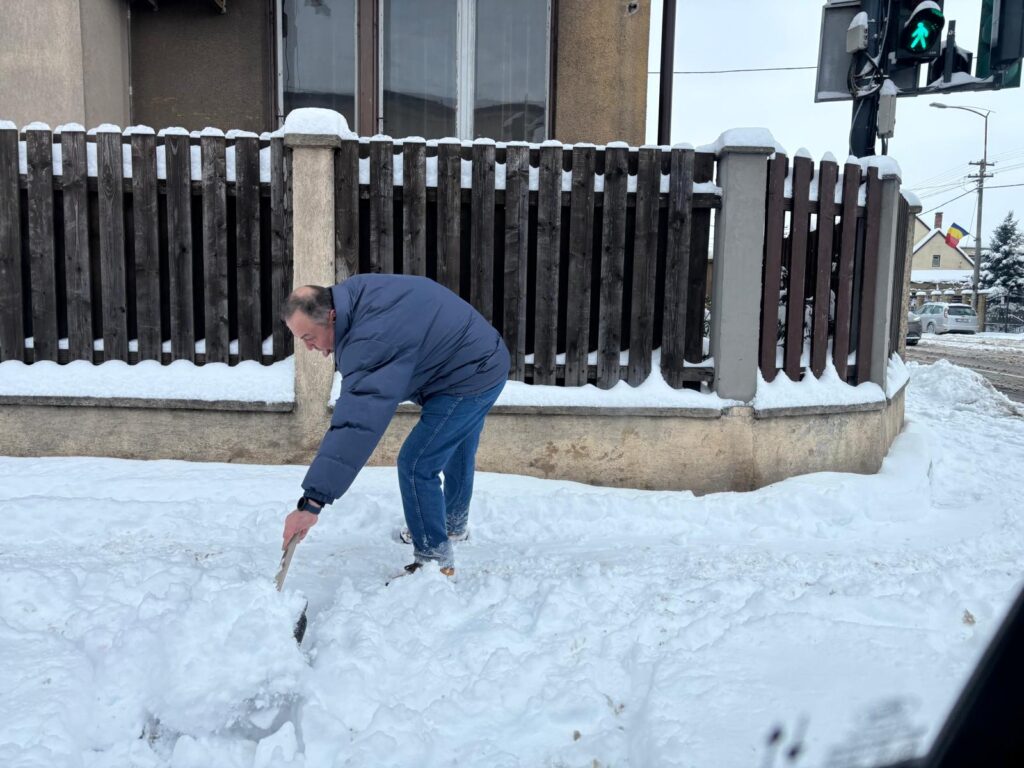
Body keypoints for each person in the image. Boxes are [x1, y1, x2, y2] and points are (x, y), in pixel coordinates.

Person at [280, 274, 510, 577]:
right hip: (478, 358)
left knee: (417, 462)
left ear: (331, 316)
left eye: (309, 338)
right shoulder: (353, 298)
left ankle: (433, 562)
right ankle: (452, 526)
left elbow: (356, 424)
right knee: (455, 446)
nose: (310, 348)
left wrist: (311, 503)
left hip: (471, 374)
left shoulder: (370, 337)